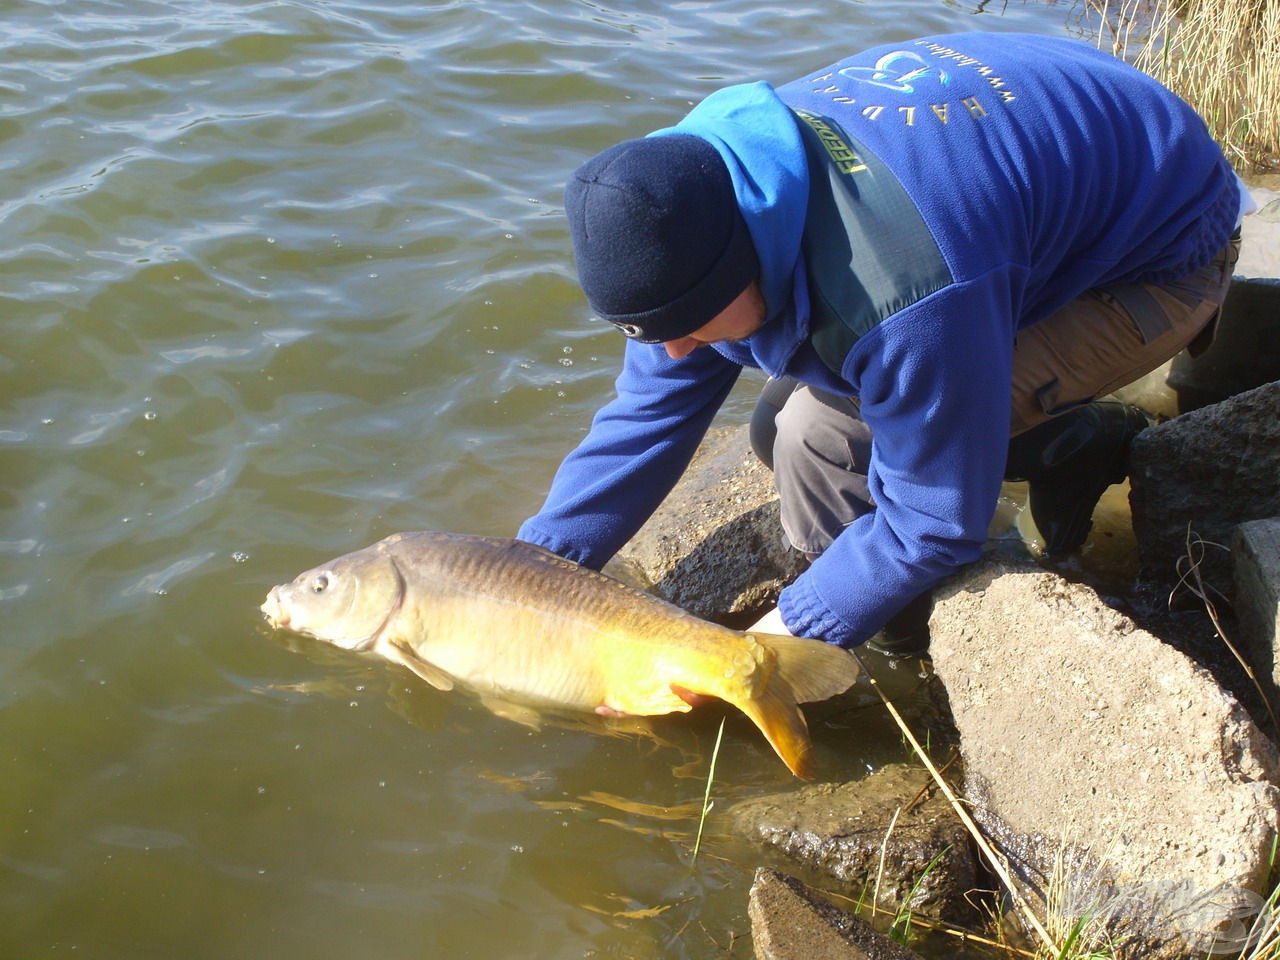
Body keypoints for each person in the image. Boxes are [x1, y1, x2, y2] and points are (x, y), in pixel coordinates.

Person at [516, 32, 1252, 656]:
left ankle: (906, 640)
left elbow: (931, 520)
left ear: (747, 262)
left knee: (821, 443)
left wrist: (776, 648)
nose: (677, 352)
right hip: (1064, 177)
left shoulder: (905, 282)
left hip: (1168, 260)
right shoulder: (686, 204)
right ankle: (1076, 441)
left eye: (695, 325)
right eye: (657, 331)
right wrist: (530, 571)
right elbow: (649, 414)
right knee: (778, 426)